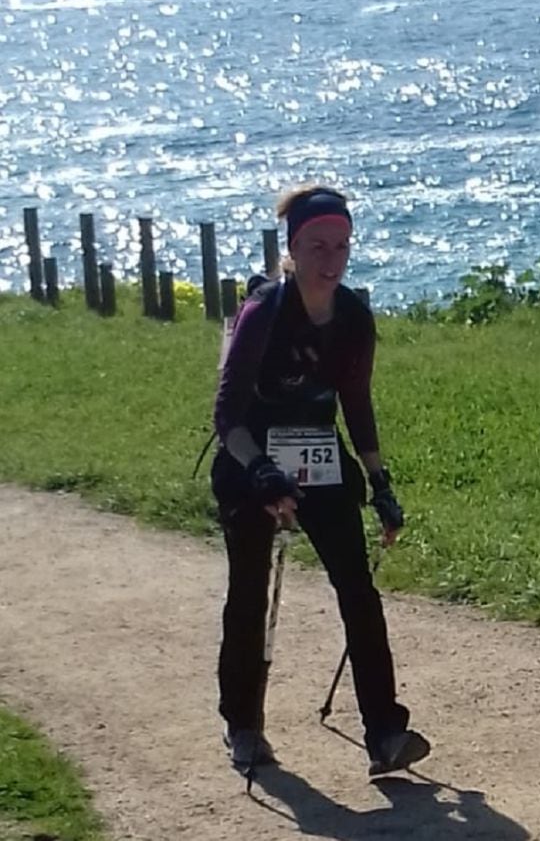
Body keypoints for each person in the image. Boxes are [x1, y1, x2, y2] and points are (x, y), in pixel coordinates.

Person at [210, 184, 430, 777]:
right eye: (317, 247)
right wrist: (258, 472)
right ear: (293, 248)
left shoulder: (354, 316)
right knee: (249, 591)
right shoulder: (263, 313)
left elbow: (356, 404)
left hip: (319, 455)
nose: (330, 260)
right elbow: (226, 414)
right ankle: (243, 723)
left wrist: (380, 483)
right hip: (251, 454)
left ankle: (386, 730)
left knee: (358, 589)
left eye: (341, 246)